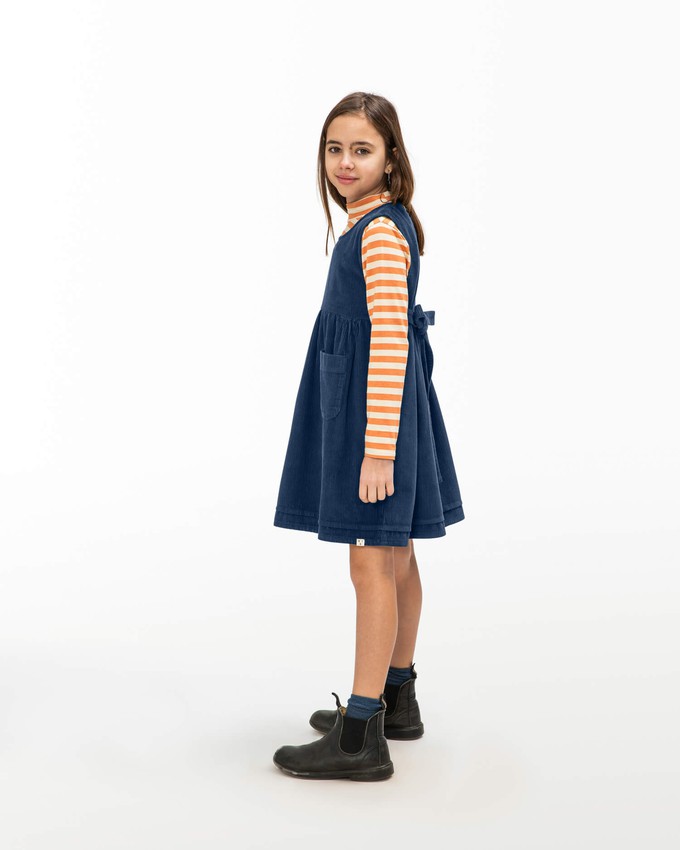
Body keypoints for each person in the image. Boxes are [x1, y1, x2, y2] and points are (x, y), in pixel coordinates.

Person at [272, 91, 465, 781]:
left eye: (362, 149)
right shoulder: (374, 221)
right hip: (374, 411)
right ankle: (395, 696)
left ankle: (360, 734)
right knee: (397, 555)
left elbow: (388, 342)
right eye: (335, 149)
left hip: (369, 419)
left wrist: (378, 448)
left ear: (390, 157)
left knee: (371, 563)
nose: (345, 162)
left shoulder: (378, 233)